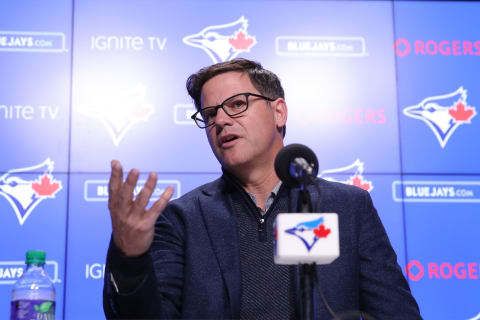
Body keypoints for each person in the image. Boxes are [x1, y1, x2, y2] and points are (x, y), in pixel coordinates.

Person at [103, 59, 421, 319]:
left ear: (278, 111)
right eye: (210, 114)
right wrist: (130, 259)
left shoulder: (347, 207)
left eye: (237, 104)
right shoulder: (182, 218)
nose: (221, 121)